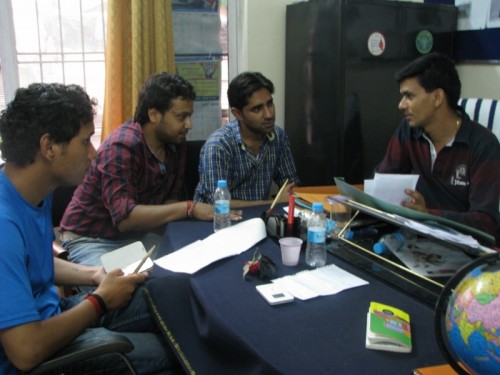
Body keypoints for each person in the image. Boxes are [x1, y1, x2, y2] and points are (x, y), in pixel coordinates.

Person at [0, 83, 179, 374]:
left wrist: (94, 274)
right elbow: (25, 351)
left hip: (56, 315)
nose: (93, 154)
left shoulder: (32, 192)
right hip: (39, 358)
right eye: (85, 142)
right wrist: (99, 302)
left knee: (166, 294)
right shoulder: (4, 226)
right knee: (178, 354)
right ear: (48, 147)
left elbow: (32, 263)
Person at [60, 72, 232, 268]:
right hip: (92, 239)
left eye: (189, 116)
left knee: (195, 265)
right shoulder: (121, 146)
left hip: (137, 238)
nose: (189, 125)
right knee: (125, 290)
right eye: (181, 117)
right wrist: (189, 208)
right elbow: (126, 219)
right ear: (153, 114)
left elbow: (169, 202)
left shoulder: (175, 144)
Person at [375, 52, 500, 239]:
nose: (401, 105)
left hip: (468, 253)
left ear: (437, 98)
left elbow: (486, 223)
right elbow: (383, 184)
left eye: (409, 96)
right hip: (420, 241)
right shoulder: (408, 131)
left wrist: (428, 215)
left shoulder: (483, 144)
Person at [194, 71, 300, 207]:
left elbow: (291, 184)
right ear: (237, 114)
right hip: (218, 222)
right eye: (257, 109)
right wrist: (271, 202)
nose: (268, 114)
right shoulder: (219, 145)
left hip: (258, 219)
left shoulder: (278, 137)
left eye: (270, 104)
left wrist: (289, 193)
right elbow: (217, 204)